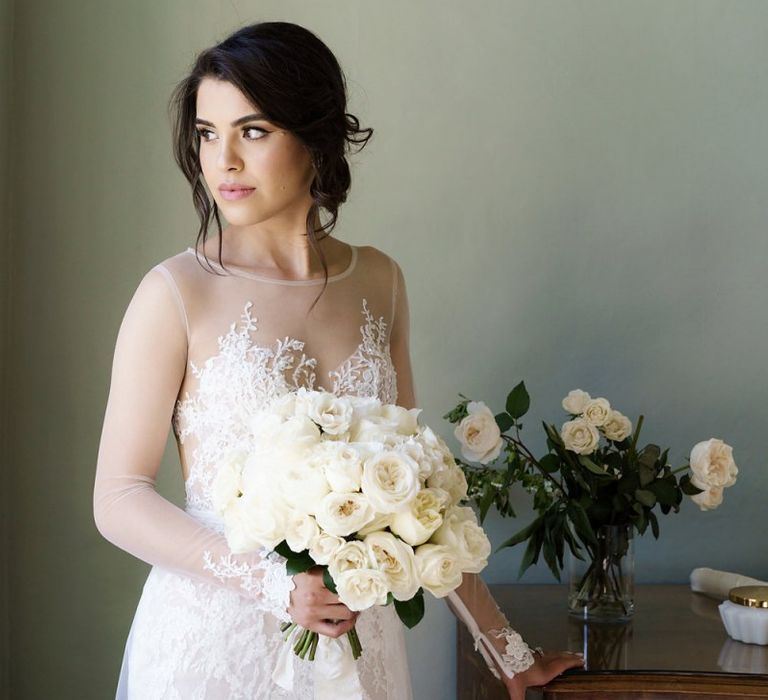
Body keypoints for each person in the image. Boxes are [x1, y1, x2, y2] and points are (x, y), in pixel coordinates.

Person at [92, 20, 583, 699]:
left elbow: (421, 490)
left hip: (359, 645)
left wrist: (507, 649)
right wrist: (272, 584)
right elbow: (117, 499)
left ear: (315, 136)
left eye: (253, 131)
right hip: (214, 645)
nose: (223, 160)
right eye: (208, 133)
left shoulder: (378, 279)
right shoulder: (175, 293)